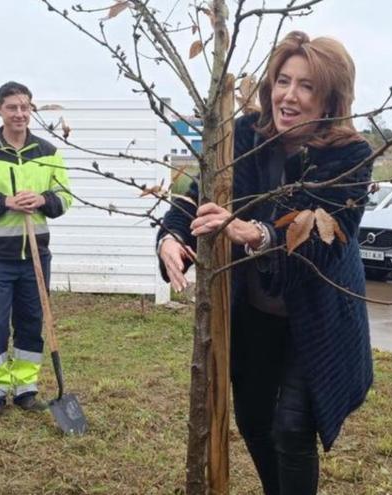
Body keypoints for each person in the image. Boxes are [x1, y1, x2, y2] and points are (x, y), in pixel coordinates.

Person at [157, 31, 373, 495]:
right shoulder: (245, 136)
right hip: (255, 311)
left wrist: (260, 233)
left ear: (331, 97)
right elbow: (200, 193)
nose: (288, 96)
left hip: (313, 314)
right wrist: (172, 235)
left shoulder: (348, 154)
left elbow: (327, 239)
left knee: (292, 429)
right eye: (282, 81)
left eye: (306, 86)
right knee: (253, 419)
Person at [0, 81, 73, 424]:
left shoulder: (48, 152)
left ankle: (25, 390)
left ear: (31, 110)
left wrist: (42, 200)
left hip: (35, 256)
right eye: (12, 107)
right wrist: (6, 202)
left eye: (25, 107)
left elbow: (64, 196)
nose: (19, 114)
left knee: (31, 324)